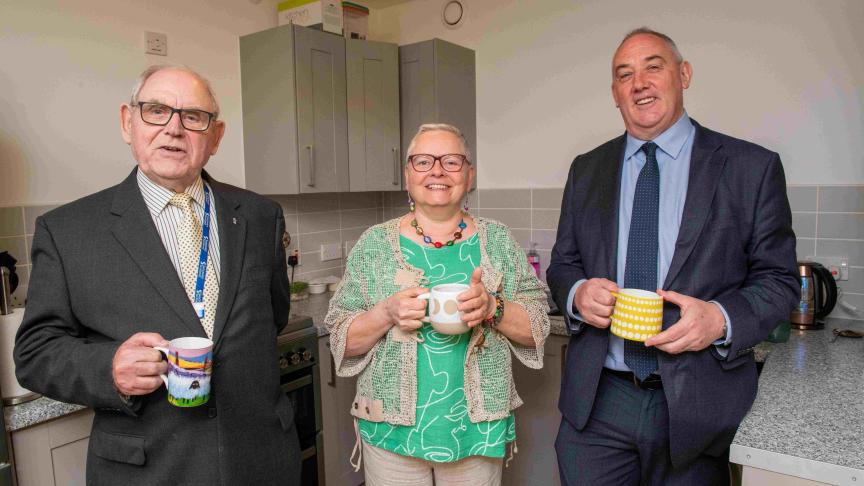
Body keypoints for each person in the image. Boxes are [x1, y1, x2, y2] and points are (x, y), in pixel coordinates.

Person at [14, 65, 300, 485]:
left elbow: (272, 317)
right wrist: (108, 367)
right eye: (156, 110)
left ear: (216, 136)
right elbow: (35, 353)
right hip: (148, 469)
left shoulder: (261, 216)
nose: (174, 129)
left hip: (260, 458)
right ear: (128, 123)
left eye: (193, 117)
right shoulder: (68, 231)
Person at [547, 28, 798, 485]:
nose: (639, 82)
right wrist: (579, 293)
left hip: (697, 404)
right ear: (615, 94)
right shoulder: (586, 169)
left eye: (653, 67)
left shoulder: (751, 168)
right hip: (598, 405)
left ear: (683, 75)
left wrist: (719, 320)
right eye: (625, 75)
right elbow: (563, 265)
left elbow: (779, 280)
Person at [325, 123, 549, 486]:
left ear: (470, 174)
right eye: (424, 161)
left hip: (477, 433)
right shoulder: (373, 245)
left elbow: (538, 326)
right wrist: (385, 314)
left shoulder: (499, 242)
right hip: (390, 434)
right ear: (408, 174)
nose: (438, 171)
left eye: (452, 161)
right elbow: (340, 338)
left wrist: (493, 308)